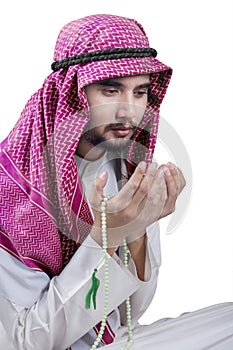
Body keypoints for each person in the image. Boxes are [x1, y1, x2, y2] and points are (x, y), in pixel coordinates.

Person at [0, 14, 232, 350]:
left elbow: (127, 318)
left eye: (139, 92)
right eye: (111, 90)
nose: (129, 111)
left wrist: (137, 230)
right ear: (71, 94)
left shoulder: (128, 169)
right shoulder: (10, 190)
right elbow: (25, 342)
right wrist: (106, 237)